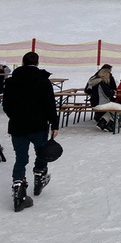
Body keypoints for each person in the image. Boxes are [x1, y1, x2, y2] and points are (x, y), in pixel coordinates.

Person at [3, 51, 59, 211]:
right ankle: (40, 177)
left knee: (21, 158)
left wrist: (15, 116)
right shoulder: (43, 81)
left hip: (17, 126)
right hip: (38, 125)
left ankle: (19, 191)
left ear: (22, 62)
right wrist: (54, 124)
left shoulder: (11, 81)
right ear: (37, 63)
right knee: (42, 152)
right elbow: (50, 105)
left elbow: (6, 105)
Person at [85, 65, 121, 132]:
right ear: (105, 75)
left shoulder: (94, 81)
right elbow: (107, 94)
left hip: (94, 103)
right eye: (108, 75)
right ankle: (109, 124)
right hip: (100, 104)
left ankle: (102, 122)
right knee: (119, 107)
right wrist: (113, 92)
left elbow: (87, 90)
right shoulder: (102, 83)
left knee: (114, 108)